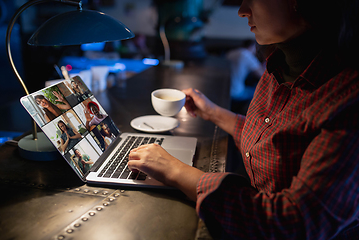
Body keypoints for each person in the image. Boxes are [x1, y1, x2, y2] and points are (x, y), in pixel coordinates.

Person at [128, 0, 359, 239]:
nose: (242, 10)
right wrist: (212, 112)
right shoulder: (279, 66)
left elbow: (293, 224)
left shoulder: (347, 100)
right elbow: (271, 140)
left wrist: (174, 170)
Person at [226, 39, 265, 114]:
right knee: (260, 94)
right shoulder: (246, 55)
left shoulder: (231, 52)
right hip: (236, 92)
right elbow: (262, 74)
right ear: (252, 46)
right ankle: (248, 116)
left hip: (225, 92)